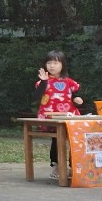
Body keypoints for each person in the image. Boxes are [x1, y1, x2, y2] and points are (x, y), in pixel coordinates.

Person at [34, 49, 83, 179]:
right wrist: (44, 81)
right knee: (56, 139)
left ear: (63, 65)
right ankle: (57, 166)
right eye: (49, 63)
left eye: (55, 63)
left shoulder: (69, 82)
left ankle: (74, 167)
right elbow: (36, 96)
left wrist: (77, 100)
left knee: (74, 140)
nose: (52, 66)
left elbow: (75, 96)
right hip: (49, 118)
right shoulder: (42, 82)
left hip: (69, 116)